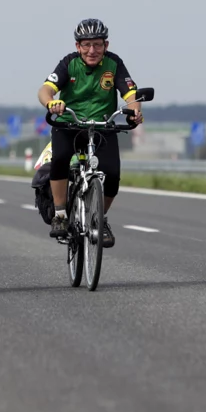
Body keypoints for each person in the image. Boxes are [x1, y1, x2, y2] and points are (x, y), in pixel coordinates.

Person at [37, 18, 143, 248]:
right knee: (61, 160)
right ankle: (60, 215)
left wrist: (135, 111)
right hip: (69, 124)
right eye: (86, 45)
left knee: (112, 175)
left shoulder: (114, 64)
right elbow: (45, 89)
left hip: (102, 126)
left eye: (97, 44)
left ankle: (99, 219)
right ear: (78, 46)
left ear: (106, 45)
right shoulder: (68, 63)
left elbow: (130, 93)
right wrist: (51, 104)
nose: (91, 50)